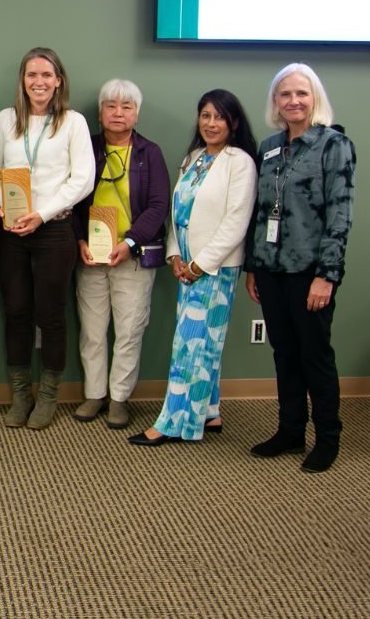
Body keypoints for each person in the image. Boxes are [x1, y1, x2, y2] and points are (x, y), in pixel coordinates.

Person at [128, 89, 258, 446]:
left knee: (190, 347)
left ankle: (174, 422)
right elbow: (177, 214)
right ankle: (209, 411)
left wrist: (200, 265)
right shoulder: (195, 158)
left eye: (219, 117)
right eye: (205, 115)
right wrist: (175, 256)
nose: (211, 123)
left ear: (233, 122)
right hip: (186, 266)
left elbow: (236, 223)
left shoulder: (240, 162)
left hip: (214, 270)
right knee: (205, 343)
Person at [245, 63, 357, 473]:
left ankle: (327, 437)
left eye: (302, 94)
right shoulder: (270, 146)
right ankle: (290, 430)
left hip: (310, 272)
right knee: (284, 354)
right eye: (285, 94)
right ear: (275, 101)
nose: (293, 101)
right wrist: (253, 268)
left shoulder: (334, 145)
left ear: (315, 99)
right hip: (271, 270)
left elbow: (340, 216)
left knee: (315, 357)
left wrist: (327, 275)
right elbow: (260, 211)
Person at [0, 47, 95, 430]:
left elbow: (82, 179)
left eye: (46, 75)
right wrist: (7, 208)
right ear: (22, 80)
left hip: (54, 229)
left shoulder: (73, 122)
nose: (39, 82)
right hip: (12, 231)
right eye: (32, 75)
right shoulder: (5, 121)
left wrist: (42, 215)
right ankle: (20, 395)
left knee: (50, 314)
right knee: (16, 311)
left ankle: (48, 395)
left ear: (58, 81)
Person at [73, 79, 170, 430]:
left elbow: (159, 206)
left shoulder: (150, 153)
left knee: (129, 330)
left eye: (126, 107)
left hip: (132, 257)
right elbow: (74, 198)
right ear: (99, 112)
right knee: (93, 331)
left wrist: (129, 243)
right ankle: (94, 394)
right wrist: (78, 241)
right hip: (90, 257)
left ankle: (118, 399)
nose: (118, 113)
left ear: (137, 114)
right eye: (111, 106)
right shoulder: (87, 147)